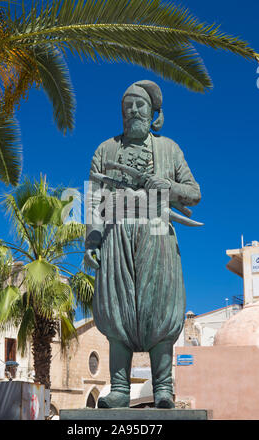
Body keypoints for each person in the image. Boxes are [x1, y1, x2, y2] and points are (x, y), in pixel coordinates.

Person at [84, 80, 201, 408]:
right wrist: (92, 239)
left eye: (139, 105)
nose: (133, 111)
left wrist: (168, 185)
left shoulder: (170, 149)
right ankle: (119, 387)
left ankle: (163, 387)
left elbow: (195, 193)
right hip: (116, 236)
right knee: (116, 309)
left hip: (157, 235)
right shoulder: (105, 150)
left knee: (159, 308)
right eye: (128, 106)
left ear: (153, 113)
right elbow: (94, 200)